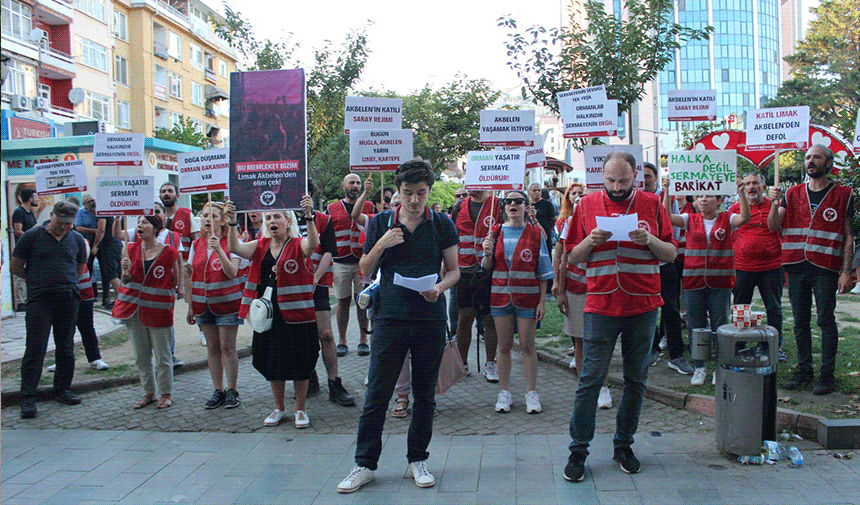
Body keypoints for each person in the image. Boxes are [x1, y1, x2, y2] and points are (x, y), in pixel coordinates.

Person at [337, 159, 459, 493]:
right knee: (377, 392)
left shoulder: (443, 224)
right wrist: (382, 244)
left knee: (425, 394)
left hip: (430, 316)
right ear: (399, 191)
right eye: (408, 193)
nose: (415, 200)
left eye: (421, 193)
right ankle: (364, 464)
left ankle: (417, 459)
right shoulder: (379, 223)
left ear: (430, 190)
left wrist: (439, 288)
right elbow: (363, 267)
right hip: (389, 315)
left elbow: (454, 271)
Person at [563, 151, 676, 482]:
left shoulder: (652, 204)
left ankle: (623, 445)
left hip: (643, 304)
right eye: (610, 181)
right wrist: (590, 240)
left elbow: (670, 254)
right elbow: (572, 257)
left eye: (623, 181)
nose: (616, 187)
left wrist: (650, 239)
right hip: (601, 303)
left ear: (635, 175)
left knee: (636, 380)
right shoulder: (586, 206)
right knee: (590, 380)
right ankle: (578, 450)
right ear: (602, 177)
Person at [768, 145, 855, 395]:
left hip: (826, 266)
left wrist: (846, 270)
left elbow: (849, 236)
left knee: (826, 321)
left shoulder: (844, 194)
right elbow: (773, 225)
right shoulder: (792, 193)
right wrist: (774, 203)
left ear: (829, 163)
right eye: (807, 157)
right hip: (796, 266)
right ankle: (804, 370)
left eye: (816, 157)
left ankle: (826, 375)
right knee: (800, 322)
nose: (810, 161)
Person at [228, 196, 320, 428]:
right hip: (269, 316)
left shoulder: (298, 244)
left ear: (288, 221)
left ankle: (300, 409)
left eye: (277, 216)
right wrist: (231, 222)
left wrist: (308, 216)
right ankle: (279, 407)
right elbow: (234, 248)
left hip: (298, 315)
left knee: (301, 362)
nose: (272, 221)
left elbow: (313, 245)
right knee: (272, 362)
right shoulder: (260, 246)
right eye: (268, 217)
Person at [664, 177, 749, 385]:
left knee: (720, 325)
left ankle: (719, 368)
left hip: (719, 284)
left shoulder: (727, 219)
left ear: (719, 200)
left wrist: (741, 194)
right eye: (700, 195)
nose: (703, 199)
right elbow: (666, 216)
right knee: (696, 325)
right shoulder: (690, 219)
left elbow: (744, 218)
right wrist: (667, 192)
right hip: (694, 283)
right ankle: (699, 367)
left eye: (709, 195)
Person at [12, 201, 89, 418]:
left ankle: (63, 388)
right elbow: (16, 265)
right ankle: (27, 397)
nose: (65, 227)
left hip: (68, 298)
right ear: (52, 215)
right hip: (40, 299)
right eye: (62, 222)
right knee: (36, 347)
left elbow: (80, 267)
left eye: (69, 223)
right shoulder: (32, 237)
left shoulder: (75, 239)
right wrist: (37, 280)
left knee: (65, 346)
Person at [483, 190, 554, 414]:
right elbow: (486, 268)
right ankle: (504, 393)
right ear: (504, 207)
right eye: (509, 201)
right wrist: (486, 254)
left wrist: (542, 301)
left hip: (528, 297)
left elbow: (543, 271)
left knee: (527, 346)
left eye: (518, 201)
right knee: (503, 347)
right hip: (500, 297)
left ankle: (531, 394)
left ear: (526, 206)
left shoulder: (535, 234)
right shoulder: (494, 232)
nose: (513, 204)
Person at [554, 183, 615, 408]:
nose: (582, 199)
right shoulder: (570, 223)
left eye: (587, 196)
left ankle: (604, 387)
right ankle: (586, 387)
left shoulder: (610, 222)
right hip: (576, 288)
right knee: (580, 341)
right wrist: (560, 290)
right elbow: (563, 258)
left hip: (603, 286)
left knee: (601, 343)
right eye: (579, 196)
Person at [113, 215, 183, 410]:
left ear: (156, 228)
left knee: (162, 356)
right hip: (134, 310)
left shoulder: (169, 252)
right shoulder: (129, 248)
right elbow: (125, 281)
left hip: (159, 311)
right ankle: (148, 393)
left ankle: (166, 394)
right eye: (139, 223)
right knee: (141, 356)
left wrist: (181, 290)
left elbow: (178, 280)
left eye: (145, 222)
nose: (140, 226)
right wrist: (125, 272)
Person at [297, 180, 355, 406]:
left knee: (326, 334)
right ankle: (309, 378)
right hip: (290, 286)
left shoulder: (323, 219)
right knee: (302, 335)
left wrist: (314, 279)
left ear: (311, 194)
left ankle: (334, 383)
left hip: (316, 284)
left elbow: (329, 251)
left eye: (305, 192)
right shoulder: (281, 218)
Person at [185, 202, 247, 410]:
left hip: (227, 303)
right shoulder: (197, 244)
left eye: (213, 216)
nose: (207, 219)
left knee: (227, 347)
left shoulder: (233, 242)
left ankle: (232, 390)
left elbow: (232, 272)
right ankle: (217, 390)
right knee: (212, 348)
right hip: (203, 305)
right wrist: (190, 305)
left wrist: (219, 249)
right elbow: (191, 275)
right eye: (204, 216)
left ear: (222, 220)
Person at [643, 163, 692, 376]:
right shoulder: (632, 199)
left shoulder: (666, 197)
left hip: (665, 262)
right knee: (646, 309)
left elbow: (671, 224)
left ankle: (676, 355)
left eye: (648, 176)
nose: (644, 180)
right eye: (641, 176)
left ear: (655, 177)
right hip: (643, 265)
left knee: (671, 309)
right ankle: (651, 349)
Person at [731, 172, 785, 360]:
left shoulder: (775, 206)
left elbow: (774, 226)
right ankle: (741, 343)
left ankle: (773, 346)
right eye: (747, 183)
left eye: (755, 183)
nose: (751, 187)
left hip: (771, 267)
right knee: (741, 308)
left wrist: (775, 202)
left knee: (774, 308)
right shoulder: (735, 209)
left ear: (764, 186)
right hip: (742, 266)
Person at [451, 188, 501, 380]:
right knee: (464, 318)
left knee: (490, 319)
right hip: (464, 269)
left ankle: (491, 364)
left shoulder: (498, 204)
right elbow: (453, 237)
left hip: (489, 270)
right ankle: (462, 363)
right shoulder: (459, 207)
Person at [328, 174, 374, 357]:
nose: (355, 186)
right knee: (342, 302)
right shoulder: (332, 208)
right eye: (351, 183)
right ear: (343, 186)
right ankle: (342, 340)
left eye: (357, 183)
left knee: (362, 301)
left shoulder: (369, 205)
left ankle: (363, 340)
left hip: (361, 260)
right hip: (340, 261)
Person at [159, 182, 198, 366]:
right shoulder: (155, 215)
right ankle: (167, 352)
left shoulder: (186, 214)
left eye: (170, 191)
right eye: (163, 191)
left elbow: (195, 240)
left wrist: (193, 261)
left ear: (177, 194)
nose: (166, 194)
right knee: (166, 309)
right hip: (164, 267)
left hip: (184, 263)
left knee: (193, 299)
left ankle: (201, 331)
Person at [12, 188, 39, 311]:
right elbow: (18, 231)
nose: (37, 199)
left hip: (32, 247)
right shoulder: (19, 212)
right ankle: (20, 301)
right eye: (35, 197)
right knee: (21, 276)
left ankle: (29, 298)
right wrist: (29, 237)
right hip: (23, 247)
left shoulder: (30, 213)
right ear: (30, 199)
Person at [528, 182, 558, 256]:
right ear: (529, 192)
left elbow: (554, 219)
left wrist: (549, 229)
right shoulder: (527, 205)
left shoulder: (548, 204)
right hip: (530, 237)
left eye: (539, 190)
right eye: (534, 190)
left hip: (545, 236)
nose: (537, 192)